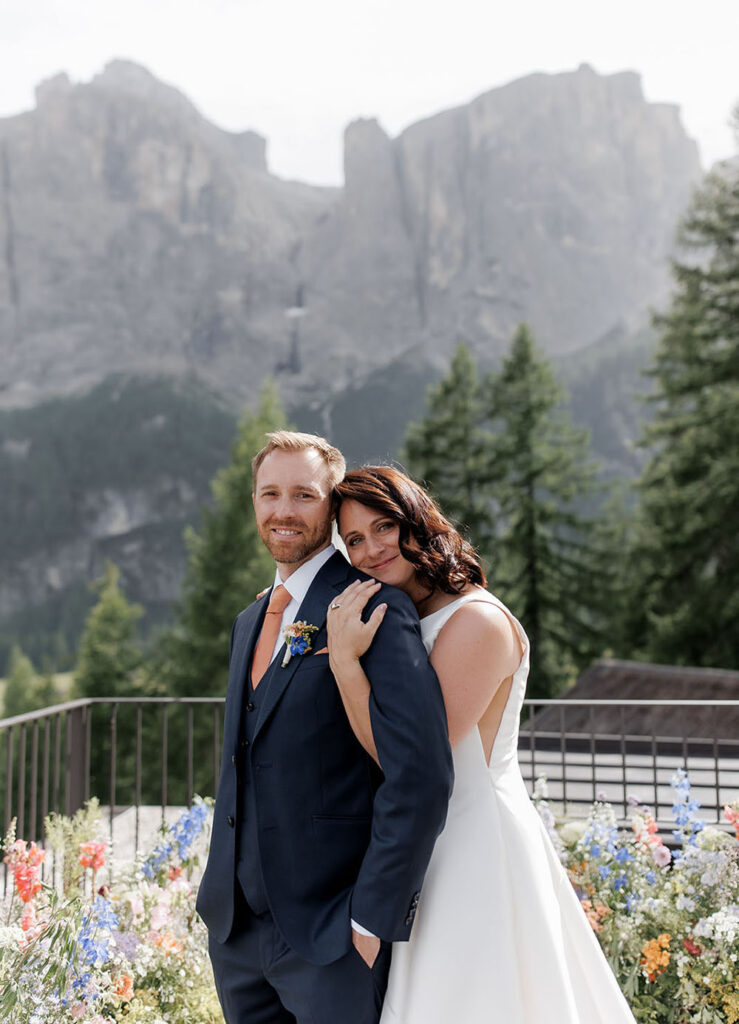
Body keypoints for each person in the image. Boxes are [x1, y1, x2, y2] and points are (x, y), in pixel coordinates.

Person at [326, 465, 638, 1024]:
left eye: (382, 527)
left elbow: (410, 758)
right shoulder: (401, 612)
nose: (370, 549)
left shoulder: (477, 623)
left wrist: (347, 667)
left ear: (415, 520)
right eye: (353, 539)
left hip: (475, 842)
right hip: (426, 838)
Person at [196, 433, 453, 1024]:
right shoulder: (250, 619)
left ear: (331, 507)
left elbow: (421, 777)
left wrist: (369, 923)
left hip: (332, 937)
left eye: (304, 495)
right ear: (255, 502)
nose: (283, 510)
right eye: (270, 493)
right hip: (237, 937)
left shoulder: (373, 607)